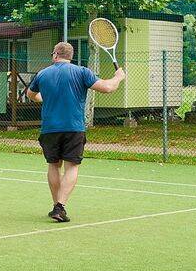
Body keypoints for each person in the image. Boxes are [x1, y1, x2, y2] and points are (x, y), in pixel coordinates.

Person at [25, 41, 125, 223]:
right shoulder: (82, 72)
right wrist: (118, 77)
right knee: (72, 166)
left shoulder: (42, 74)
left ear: (55, 54)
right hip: (74, 128)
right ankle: (60, 207)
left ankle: (57, 206)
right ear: (71, 56)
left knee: (54, 165)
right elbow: (108, 88)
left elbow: (31, 95)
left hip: (50, 129)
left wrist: (45, 99)